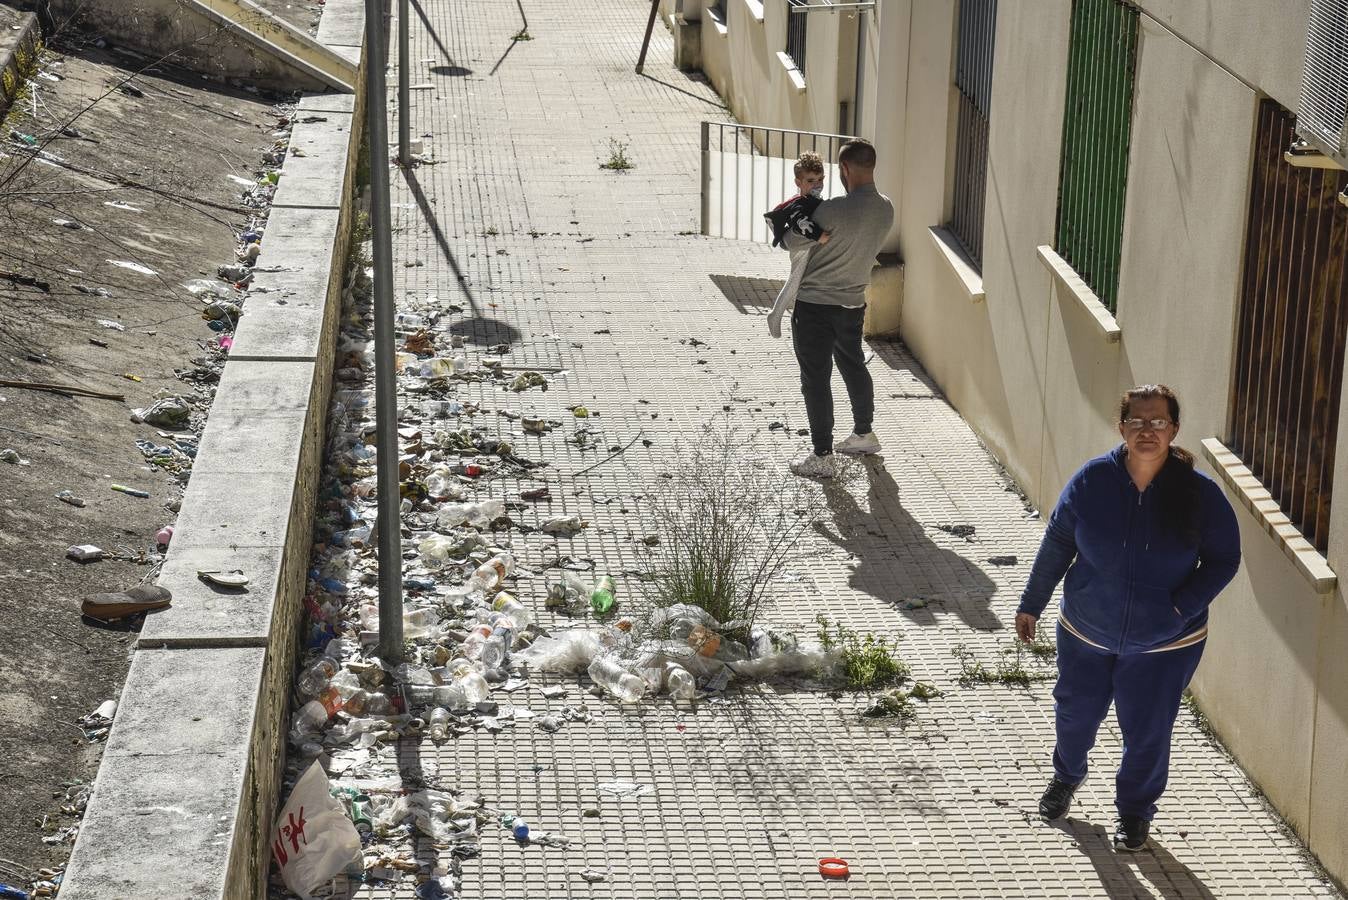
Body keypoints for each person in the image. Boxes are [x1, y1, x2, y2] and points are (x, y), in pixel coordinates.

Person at [1016, 384, 1241, 851]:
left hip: (1167, 642)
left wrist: (1178, 609)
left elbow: (1224, 560)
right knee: (1075, 714)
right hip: (1086, 630)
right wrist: (1032, 602)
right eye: (1137, 421)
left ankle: (1135, 812)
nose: (1147, 431)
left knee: (1148, 732)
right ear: (1121, 427)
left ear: (1174, 429)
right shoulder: (1092, 480)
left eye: (1158, 422)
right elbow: (1059, 540)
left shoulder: (1199, 494)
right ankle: (1067, 774)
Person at [776, 139, 894, 478]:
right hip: (853, 303)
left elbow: (789, 240)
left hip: (815, 306)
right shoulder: (886, 208)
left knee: (815, 378)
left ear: (844, 170)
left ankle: (822, 454)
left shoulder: (830, 211)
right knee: (853, 364)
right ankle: (863, 433)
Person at [764, 151, 831, 339]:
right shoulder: (801, 204)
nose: (817, 184)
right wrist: (819, 236)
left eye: (820, 179)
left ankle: (783, 315)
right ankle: (775, 315)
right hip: (801, 247)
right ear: (798, 183)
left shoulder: (813, 200)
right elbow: (802, 223)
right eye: (811, 180)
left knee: (799, 281)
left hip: (806, 247)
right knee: (795, 281)